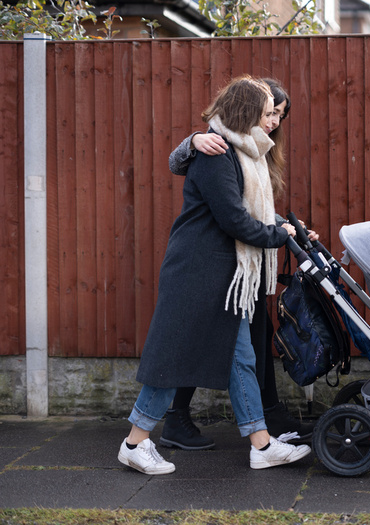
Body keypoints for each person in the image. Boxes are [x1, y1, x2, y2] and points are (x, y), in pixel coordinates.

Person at [117, 75, 312, 475]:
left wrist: (285, 227)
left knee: (242, 356)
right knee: (173, 358)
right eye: (265, 112)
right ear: (246, 112)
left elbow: (248, 212)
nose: (271, 119)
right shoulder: (215, 152)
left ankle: (261, 444)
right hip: (197, 271)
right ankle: (134, 443)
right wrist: (277, 235)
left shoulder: (246, 153)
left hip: (224, 274)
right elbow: (234, 220)